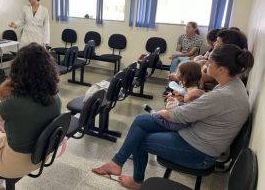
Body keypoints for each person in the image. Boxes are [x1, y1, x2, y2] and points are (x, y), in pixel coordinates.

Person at [92, 44, 254, 190]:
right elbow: (208, 108)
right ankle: (116, 163)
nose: (205, 64)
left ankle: (135, 180)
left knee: (139, 139)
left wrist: (161, 112)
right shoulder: (234, 85)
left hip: (200, 153)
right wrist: (188, 97)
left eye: (210, 62)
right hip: (198, 136)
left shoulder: (223, 95)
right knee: (141, 121)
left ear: (222, 70)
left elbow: (178, 115)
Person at [0, 43, 61, 183]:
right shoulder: (56, 97)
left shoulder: (14, 102)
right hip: (41, 156)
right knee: (1, 136)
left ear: (18, 70)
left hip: (15, 164)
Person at [151, 61, 204, 131]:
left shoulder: (193, 93)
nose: (177, 73)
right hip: (182, 117)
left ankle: (155, 116)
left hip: (180, 123)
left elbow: (185, 110)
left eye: (178, 72)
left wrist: (174, 101)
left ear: (185, 77)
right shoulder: (191, 86)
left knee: (157, 115)